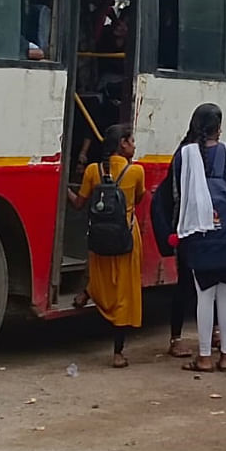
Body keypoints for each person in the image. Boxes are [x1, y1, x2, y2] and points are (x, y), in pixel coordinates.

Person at [170, 104, 226, 373]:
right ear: (218, 127)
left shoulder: (186, 154)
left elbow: (179, 198)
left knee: (204, 296)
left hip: (200, 236)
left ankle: (205, 357)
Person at [67, 123, 145, 368]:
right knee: (123, 292)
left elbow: (80, 204)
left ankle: (88, 292)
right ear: (122, 143)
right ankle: (118, 353)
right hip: (126, 239)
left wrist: (64, 188)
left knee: (102, 279)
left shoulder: (93, 170)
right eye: (131, 141)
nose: (134, 145)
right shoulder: (136, 172)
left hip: (99, 238)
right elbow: (139, 198)